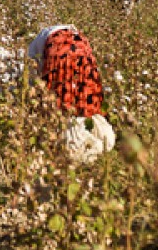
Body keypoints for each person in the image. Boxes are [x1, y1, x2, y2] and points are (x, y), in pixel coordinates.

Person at [28, 25, 114, 162]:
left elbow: (33, 82)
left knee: (60, 100)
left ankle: (71, 140)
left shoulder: (32, 52)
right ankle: (99, 136)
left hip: (58, 50)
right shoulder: (52, 34)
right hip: (81, 46)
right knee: (87, 95)